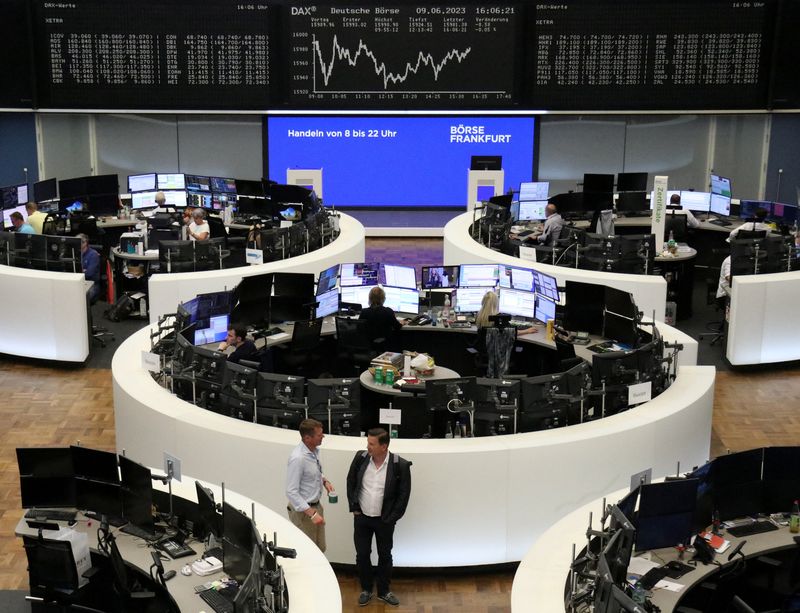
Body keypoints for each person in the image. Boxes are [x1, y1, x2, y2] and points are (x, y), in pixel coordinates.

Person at [346, 427, 412, 607]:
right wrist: (354, 507)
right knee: (362, 554)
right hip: (362, 518)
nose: (368, 446)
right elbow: (351, 481)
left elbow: (403, 496)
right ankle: (366, 589)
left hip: (384, 521)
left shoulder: (401, 465)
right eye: (368, 442)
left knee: (385, 555)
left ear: (384, 446)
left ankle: (384, 591)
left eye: (372, 444)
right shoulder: (360, 458)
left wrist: (391, 518)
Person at [285, 418, 335, 552]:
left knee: (320, 548)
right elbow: (291, 491)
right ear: (307, 438)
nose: (323, 436)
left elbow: (315, 471)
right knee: (308, 552)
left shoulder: (314, 451)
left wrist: (325, 481)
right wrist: (312, 514)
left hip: (316, 507)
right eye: (320, 435)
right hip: (304, 512)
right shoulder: (298, 458)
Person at [78, 233, 101, 302]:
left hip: (92, 284)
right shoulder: (75, 253)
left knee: (80, 300)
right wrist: (83, 270)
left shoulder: (93, 255)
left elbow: (89, 274)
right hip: (78, 282)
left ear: (84, 243)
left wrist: (78, 272)